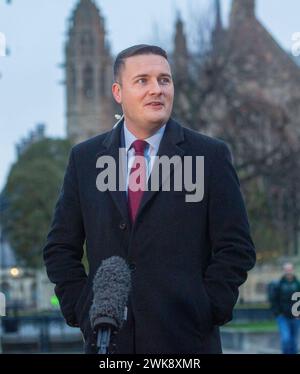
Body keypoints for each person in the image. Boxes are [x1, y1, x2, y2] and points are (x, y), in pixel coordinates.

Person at [43, 44, 256, 354]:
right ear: (118, 92)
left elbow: (236, 247)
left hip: (186, 345)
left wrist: (207, 307)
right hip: (109, 346)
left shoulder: (210, 155)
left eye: (164, 80)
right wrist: (83, 308)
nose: (156, 89)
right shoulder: (84, 159)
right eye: (142, 80)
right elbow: (60, 248)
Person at [271, 263, 300, 354]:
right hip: (282, 316)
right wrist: (277, 313)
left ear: (292, 270)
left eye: (290, 269)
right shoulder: (279, 285)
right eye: (286, 270)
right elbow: (274, 300)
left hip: (296, 317)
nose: (288, 272)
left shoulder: (297, 284)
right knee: (286, 338)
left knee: (294, 340)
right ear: (284, 271)